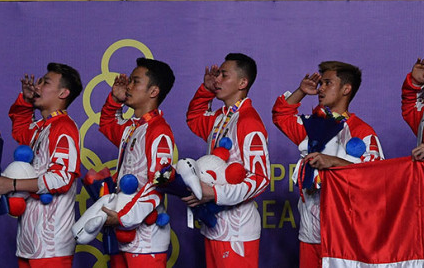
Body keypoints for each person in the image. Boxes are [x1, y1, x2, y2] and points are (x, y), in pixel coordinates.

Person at [272, 61, 384, 268]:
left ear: (346, 89)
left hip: (344, 236)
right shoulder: (310, 125)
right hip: (310, 233)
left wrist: (334, 163)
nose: (320, 89)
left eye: (328, 83)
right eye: (321, 83)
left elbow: (375, 178)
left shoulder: (362, 131)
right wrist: (301, 91)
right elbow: (281, 115)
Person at [0, 63, 83, 268]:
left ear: (63, 93)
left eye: (45, 83)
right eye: (39, 82)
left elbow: (61, 179)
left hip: (52, 245)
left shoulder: (64, 127)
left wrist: (11, 184)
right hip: (29, 241)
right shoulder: (40, 127)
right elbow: (20, 129)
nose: (37, 87)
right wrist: (26, 100)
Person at [185, 53, 270, 268]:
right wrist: (206, 91)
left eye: (224, 75)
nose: (217, 80)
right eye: (217, 75)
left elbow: (260, 179)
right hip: (214, 227)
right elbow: (194, 118)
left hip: (238, 231)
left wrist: (215, 193)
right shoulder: (222, 117)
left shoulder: (249, 122)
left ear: (242, 83)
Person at [99, 57, 176, 267]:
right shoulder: (133, 127)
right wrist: (115, 100)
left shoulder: (158, 130)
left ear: (153, 91)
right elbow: (107, 123)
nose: (128, 86)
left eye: (135, 81)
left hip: (146, 240)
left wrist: (123, 218)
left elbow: (157, 185)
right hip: (122, 232)